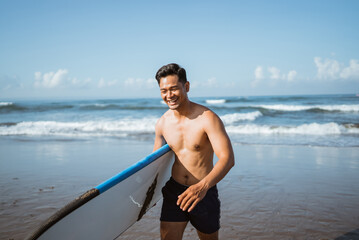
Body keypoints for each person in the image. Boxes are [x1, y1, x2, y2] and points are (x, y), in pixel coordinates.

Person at [153, 63, 235, 240]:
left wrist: (203, 186)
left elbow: (227, 158)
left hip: (204, 191)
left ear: (186, 86)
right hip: (175, 191)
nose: (169, 95)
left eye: (174, 89)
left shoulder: (207, 118)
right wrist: (148, 195)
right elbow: (155, 164)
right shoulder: (162, 123)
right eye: (163, 91)